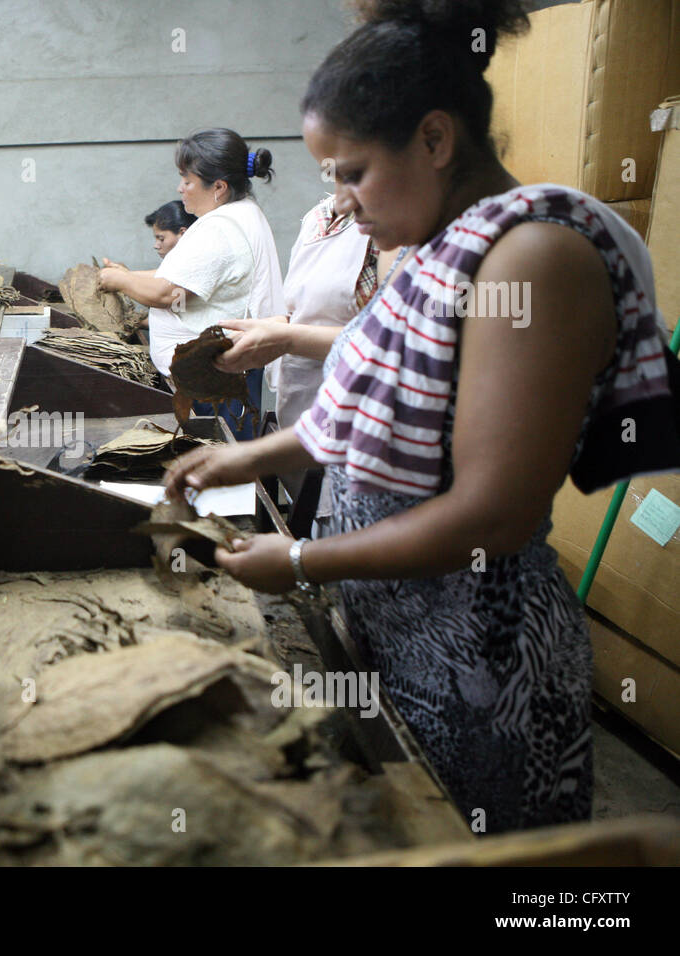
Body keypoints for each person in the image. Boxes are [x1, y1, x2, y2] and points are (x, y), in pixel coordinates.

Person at [167, 0, 680, 833]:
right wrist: (244, 461)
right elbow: (370, 413)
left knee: (512, 888)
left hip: (483, 660)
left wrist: (301, 557)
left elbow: (496, 515)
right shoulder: (440, 245)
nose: (340, 201)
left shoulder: (534, 257)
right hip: (396, 627)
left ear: (436, 141)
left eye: (352, 171)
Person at [213, 193, 404, 510]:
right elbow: (304, 312)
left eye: (356, 171)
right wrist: (269, 329)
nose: (343, 200)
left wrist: (286, 338)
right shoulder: (319, 216)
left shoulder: (398, 228)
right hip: (304, 412)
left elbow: (388, 342)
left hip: (360, 425)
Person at [99, 129, 284, 438]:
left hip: (218, 377)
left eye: (187, 181)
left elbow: (168, 293)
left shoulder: (221, 228)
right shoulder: (241, 213)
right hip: (220, 373)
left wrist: (119, 280)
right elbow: (184, 277)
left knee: (224, 460)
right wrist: (128, 276)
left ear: (219, 187)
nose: (180, 188)